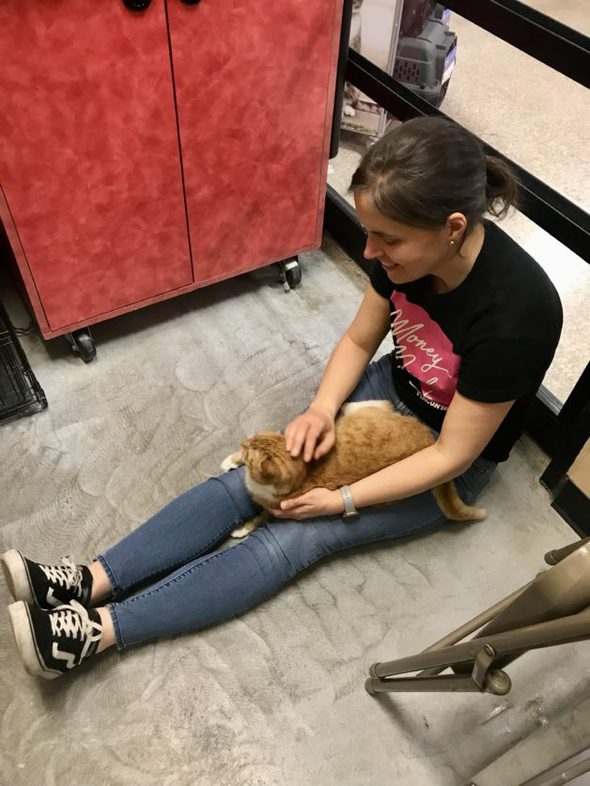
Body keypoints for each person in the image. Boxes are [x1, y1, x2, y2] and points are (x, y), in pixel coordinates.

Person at [1, 116, 563, 679]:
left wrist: (343, 499)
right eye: (369, 233)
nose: (370, 250)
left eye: (387, 240)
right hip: (389, 392)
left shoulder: (520, 312)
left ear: (453, 228)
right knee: (255, 478)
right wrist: (321, 408)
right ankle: (88, 580)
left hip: (443, 459)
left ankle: (94, 635)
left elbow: (454, 457)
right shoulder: (400, 247)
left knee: (294, 534)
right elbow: (361, 337)